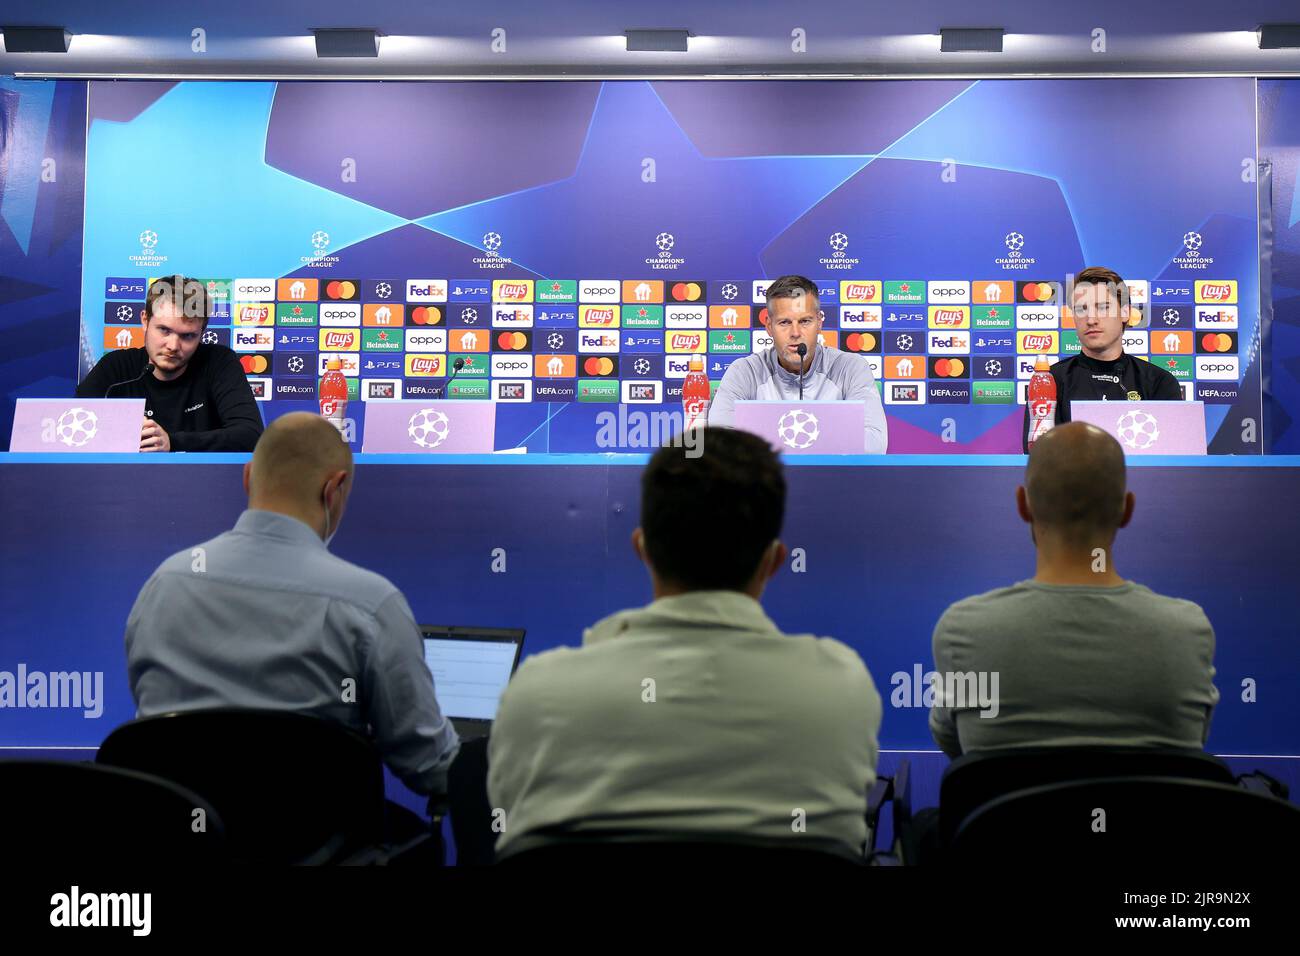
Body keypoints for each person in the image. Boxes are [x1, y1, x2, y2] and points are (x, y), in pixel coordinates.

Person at [488, 427, 882, 860]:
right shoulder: (843, 689)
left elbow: (508, 823)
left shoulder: (536, 694)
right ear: (773, 562)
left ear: (643, 549)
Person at [126, 412, 459, 797]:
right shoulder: (370, 604)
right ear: (334, 489)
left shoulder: (165, 585)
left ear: (248, 476)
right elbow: (432, 767)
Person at [930, 421, 1218, 758]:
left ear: (1023, 505)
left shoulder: (964, 632)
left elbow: (955, 746)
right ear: (1127, 509)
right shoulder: (1187, 631)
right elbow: (1194, 742)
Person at [77, 275, 263, 452]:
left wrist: (171, 442)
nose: (173, 346)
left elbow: (250, 435)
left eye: (188, 336)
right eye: (164, 330)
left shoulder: (219, 363)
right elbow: (71, 427)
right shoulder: (115, 367)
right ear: (145, 320)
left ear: (202, 333)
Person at [707, 274, 888, 453]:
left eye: (805, 321)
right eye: (784, 322)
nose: (795, 333)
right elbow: (719, 443)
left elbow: (874, 443)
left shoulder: (851, 368)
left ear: (819, 322)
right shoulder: (744, 372)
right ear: (769, 326)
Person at [1021, 266, 1182, 452]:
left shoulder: (1159, 382)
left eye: (1103, 307)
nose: (1091, 319)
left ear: (1125, 313)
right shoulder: (1052, 381)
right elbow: (1039, 457)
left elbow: (1173, 462)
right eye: (1081, 309)